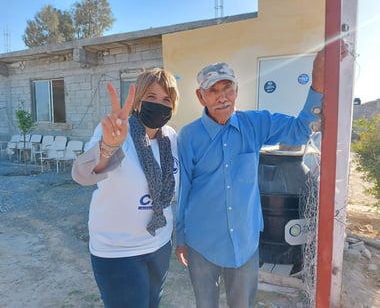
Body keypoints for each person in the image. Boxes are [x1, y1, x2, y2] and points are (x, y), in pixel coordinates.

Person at [175, 49, 332, 308]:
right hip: (202, 240)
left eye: (227, 88)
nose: (222, 96)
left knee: (242, 304)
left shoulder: (255, 124)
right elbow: (184, 190)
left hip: (245, 240)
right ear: (200, 96)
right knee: (205, 304)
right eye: (213, 90)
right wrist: (181, 239)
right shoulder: (189, 136)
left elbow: (299, 130)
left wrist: (317, 80)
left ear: (237, 91)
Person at [72, 68, 180, 308]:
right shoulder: (117, 132)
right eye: (151, 97)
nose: (159, 104)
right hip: (118, 251)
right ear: (138, 100)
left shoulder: (170, 137)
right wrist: (108, 148)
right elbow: (82, 175)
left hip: (159, 244)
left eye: (166, 99)